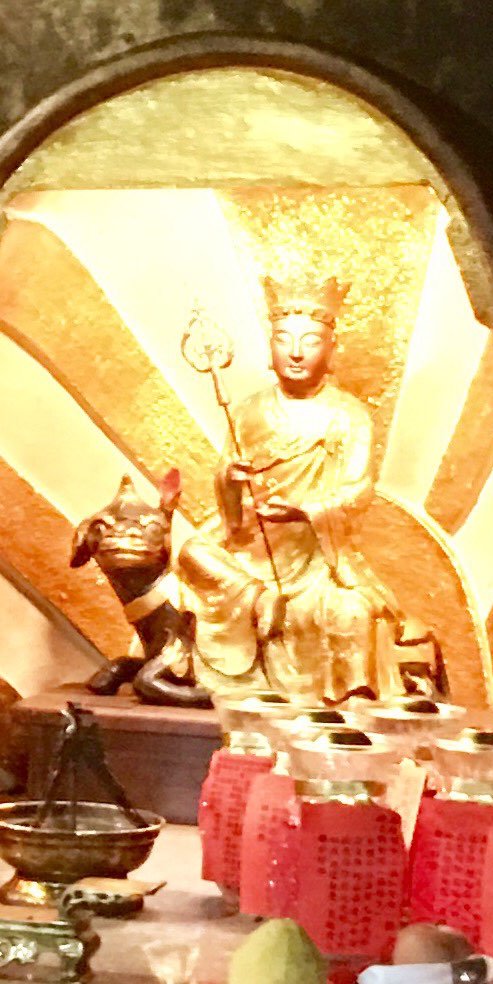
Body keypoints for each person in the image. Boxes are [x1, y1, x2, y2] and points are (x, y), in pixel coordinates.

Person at [179, 269, 397, 715]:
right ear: (270, 348)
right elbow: (229, 502)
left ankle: (351, 700)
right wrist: (230, 480)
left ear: (331, 349)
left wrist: (304, 511)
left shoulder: (347, 416)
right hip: (250, 547)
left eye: (311, 341)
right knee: (192, 552)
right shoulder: (248, 410)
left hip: (314, 555)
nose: (295, 352)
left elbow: (358, 490)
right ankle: (258, 598)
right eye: (283, 339)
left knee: (350, 610)